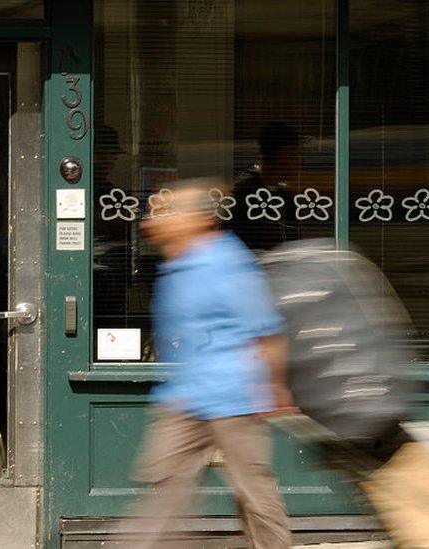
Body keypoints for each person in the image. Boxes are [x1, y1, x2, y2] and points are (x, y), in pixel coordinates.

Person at [121, 178, 293, 548]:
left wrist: (275, 387)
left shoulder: (228, 264)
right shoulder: (175, 265)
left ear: (195, 220)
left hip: (235, 394)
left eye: (164, 213)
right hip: (186, 395)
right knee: (165, 479)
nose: (152, 220)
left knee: (252, 489)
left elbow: (267, 329)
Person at [228, 122, 304, 252]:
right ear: (281, 155)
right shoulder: (246, 193)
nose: (299, 161)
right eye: (294, 154)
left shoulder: (285, 195)